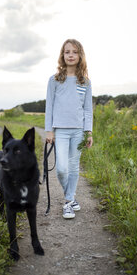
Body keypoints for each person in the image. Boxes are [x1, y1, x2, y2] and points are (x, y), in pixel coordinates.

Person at [45, 39, 93, 219]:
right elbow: (49, 106)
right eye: (67, 52)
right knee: (61, 169)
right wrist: (49, 130)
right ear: (62, 55)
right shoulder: (55, 80)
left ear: (80, 55)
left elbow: (88, 110)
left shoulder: (85, 82)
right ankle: (71, 197)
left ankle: (68, 202)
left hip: (79, 131)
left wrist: (88, 132)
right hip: (61, 131)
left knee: (73, 167)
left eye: (74, 52)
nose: (70, 55)